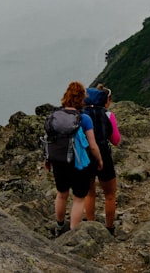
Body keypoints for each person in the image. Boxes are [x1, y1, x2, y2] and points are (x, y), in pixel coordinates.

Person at [44, 81, 103, 234]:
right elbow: (92, 145)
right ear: (81, 99)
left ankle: (59, 225)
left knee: (61, 194)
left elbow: (49, 140)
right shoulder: (84, 119)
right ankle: (73, 233)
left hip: (58, 161)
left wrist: (47, 159)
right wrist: (99, 160)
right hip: (78, 164)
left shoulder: (54, 116)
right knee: (78, 198)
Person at [84, 84, 121, 234]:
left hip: (85, 157)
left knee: (89, 193)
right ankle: (110, 228)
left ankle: (91, 225)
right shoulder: (108, 115)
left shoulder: (81, 115)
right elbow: (116, 140)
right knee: (110, 195)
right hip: (104, 155)